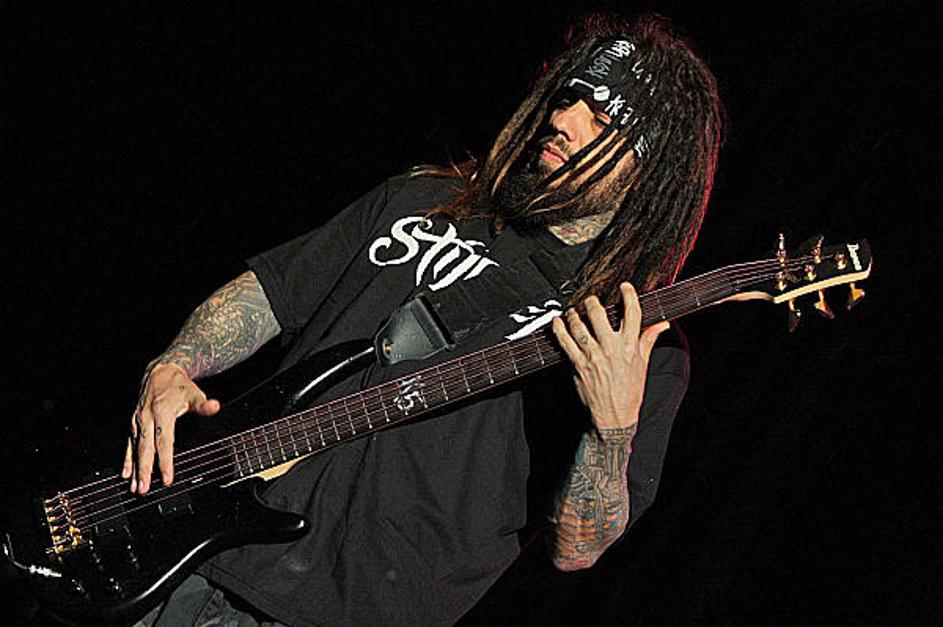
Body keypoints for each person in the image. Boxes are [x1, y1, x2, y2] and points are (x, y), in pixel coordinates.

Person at [125, 12, 724, 626]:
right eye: (568, 99)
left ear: (649, 171)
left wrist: (612, 428)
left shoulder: (636, 341)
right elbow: (274, 292)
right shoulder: (425, 199)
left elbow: (577, 549)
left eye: (600, 118)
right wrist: (175, 364)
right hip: (200, 555)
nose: (562, 120)